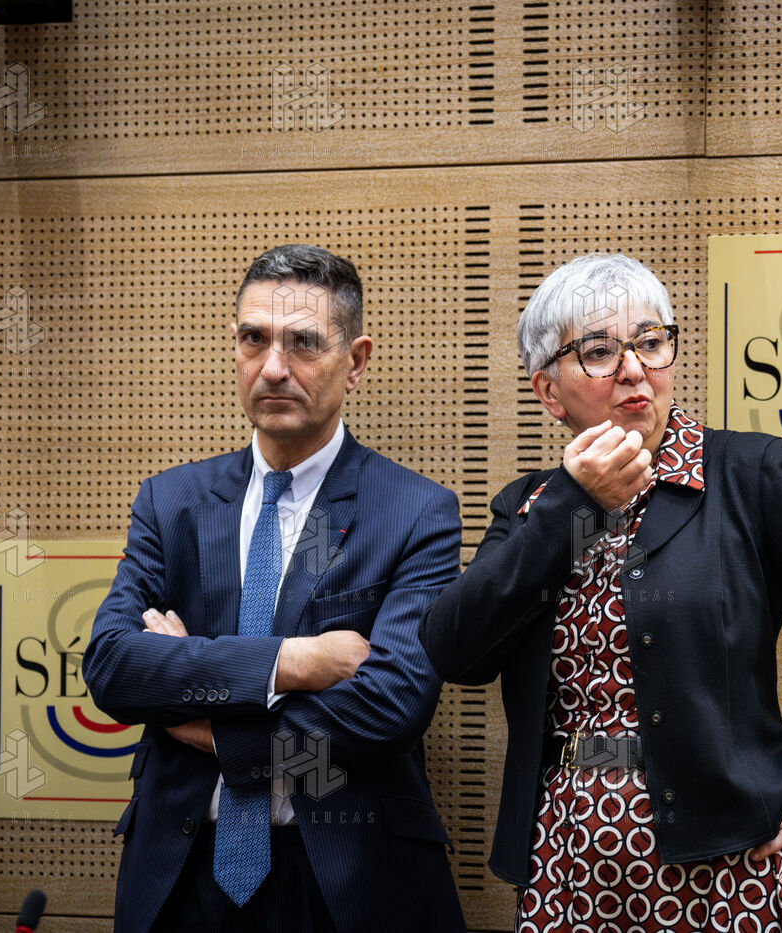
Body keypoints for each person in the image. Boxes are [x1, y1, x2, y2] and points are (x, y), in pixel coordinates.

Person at [419, 253, 782, 931]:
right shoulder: (529, 506)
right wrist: (572, 504)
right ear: (549, 391)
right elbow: (453, 651)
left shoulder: (750, 475)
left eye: (650, 341)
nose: (634, 369)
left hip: (727, 863)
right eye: (599, 352)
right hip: (565, 859)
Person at [84, 244, 467, 933]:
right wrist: (293, 661)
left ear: (356, 361)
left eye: (304, 343)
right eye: (254, 339)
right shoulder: (172, 503)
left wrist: (206, 725)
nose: (273, 367)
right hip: (180, 877)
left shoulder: (415, 511)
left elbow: (389, 706)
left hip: (346, 879)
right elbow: (114, 666)